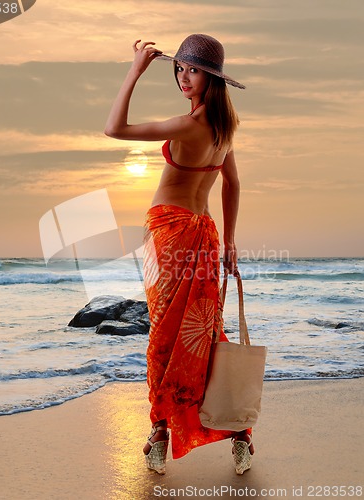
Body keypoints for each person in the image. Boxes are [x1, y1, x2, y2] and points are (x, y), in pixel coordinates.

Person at [104, 33, 253, 475]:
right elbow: (233, 184)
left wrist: (134, 69)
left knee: (166, 336)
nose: (184, 78)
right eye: (180, 69)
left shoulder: (190, 125)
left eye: (193, 71)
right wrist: (228, 241)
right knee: (204, 333)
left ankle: (159, 433)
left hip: (170, 235)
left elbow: (114, 129)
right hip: (204, 235)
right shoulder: (224, 127)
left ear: (212, 78)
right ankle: (240, 432)